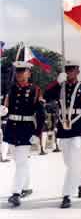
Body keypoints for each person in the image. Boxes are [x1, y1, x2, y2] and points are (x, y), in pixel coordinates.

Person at [44, 60, 81, 209]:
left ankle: (66, 194)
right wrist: (56, 82)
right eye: (67, 70)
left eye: (72, 69)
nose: (69, 72)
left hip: (79, 128)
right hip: (64, 128)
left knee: (73, 162)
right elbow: (46, 96)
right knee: (69, 162)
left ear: (78, 71)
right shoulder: (60, 87)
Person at [0, 61, 45, 207]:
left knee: (20, 163)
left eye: (23, 71)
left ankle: (16, 193)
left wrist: (37, 133)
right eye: (18, 72)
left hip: (26, 129)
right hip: (12, 129)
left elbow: (41, 114)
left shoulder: (35, 90)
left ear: (29, 73)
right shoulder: (11, 90)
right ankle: (26, 187)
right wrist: (3, 112)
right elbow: (6, 108)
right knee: (20, 161)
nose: (20, 74)